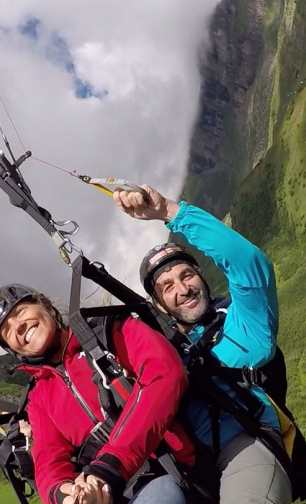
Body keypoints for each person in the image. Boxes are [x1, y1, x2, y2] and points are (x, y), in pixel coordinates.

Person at [114, 185, 295, 504]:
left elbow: (250, 264)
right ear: (158, 304)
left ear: (202, 276)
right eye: (167, 286)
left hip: (245, 445)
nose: (182, 288)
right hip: (180, 469)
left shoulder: (241, 325)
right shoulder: (155, 348)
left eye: (187, 275)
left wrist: (169, 212)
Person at [0, 283, 198, 504]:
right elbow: (48, 459)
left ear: (44, 305)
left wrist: (112, 464)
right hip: (107, 490)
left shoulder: (108, 332)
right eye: (7, 331)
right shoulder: (38, 397)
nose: (18, 327)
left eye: (20, 312)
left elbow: (163, 373)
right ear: (13, 350)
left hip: (166, 467)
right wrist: (66, 493)